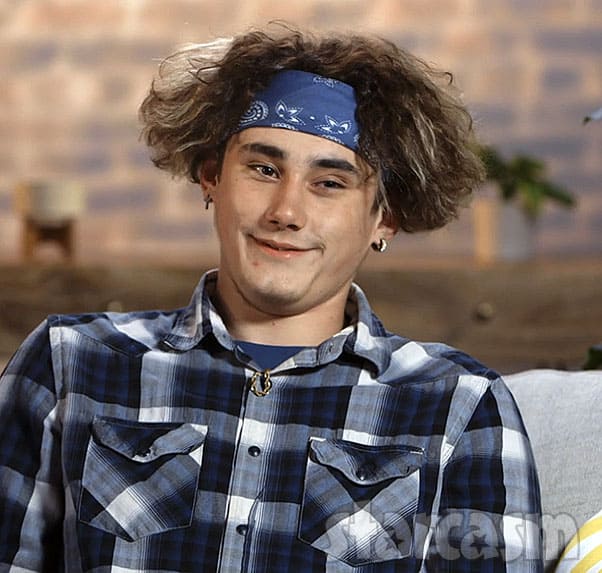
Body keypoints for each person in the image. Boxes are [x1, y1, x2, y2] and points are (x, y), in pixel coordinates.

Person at [0, 25, 542, 572]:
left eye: (330, 183)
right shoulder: (70, 362)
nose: (286, 211)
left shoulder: (460, 407)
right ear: (211, 177)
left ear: (386, 217)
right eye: (263, 169)